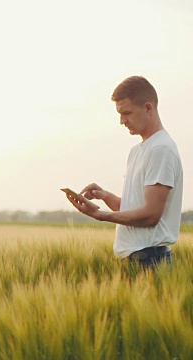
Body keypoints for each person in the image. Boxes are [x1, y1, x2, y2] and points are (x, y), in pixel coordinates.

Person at [65, 76, 183, 269]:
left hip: (151, 261)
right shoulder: (137, 151)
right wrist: (105, 196)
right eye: (119, 114)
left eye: (126, 113)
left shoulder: (161, 149)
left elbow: (150, 215)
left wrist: (100, 215)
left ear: (148, 108)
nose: (121, 121)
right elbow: (133, 209)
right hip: (136, 260)